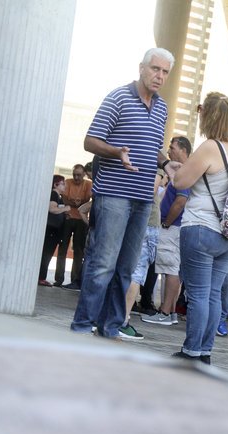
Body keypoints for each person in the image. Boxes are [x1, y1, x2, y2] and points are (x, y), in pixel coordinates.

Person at [70, 47, 173, 339]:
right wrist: (117, 152)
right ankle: (82, 325)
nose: (159, 76)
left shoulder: (162, 108)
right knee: (103, 263)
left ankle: (110, 326)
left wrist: (167, 163)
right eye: (155, 69)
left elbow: (153, 146)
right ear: (141, 68)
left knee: (126, 267)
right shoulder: (118, 98)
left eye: (165, 72)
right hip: (113, 195)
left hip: (143, 199)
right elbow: (90, 141)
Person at [168, 92, 228, 364]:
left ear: (209, 117)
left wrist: (173, 170)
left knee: (198, 294)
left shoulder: (210, 147)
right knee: (213, 294)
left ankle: (191, 351)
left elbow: (180, 182)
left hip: (201, 228)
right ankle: (204, 351)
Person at [141, 136, 192, 326]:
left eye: (172, 148)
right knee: (170, 268)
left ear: (183, 150)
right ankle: (170, 312)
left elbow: (180, 201)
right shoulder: (183, 171)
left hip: (173, 227)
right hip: (175, 226)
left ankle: (165, 312)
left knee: (170, 269)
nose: (169, 151)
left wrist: (167, 222)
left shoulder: (184, 172)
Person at [119, 171, 167, 341]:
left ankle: (111, 317)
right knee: (136, 273)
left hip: (127, 218)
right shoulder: (155, 163)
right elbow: (150, 191)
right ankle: (122, 321)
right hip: (146, 222)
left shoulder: (129, 159)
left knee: (123, 270)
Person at [55, 164, 92, 290]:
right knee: (62, 248)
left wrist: (76, 203)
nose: (76, 177)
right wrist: (78, 203)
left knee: (78, 250)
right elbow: (65, 199)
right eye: (74, 175)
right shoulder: (68, 182)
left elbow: (88, 199)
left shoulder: (88, 184)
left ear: (84, 175)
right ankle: (59, 278)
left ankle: (75, 279)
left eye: (79, 175)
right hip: (68, 218)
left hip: (81, 220)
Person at [38, 175, 69, 286]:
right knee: (47, 253)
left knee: (48, 253)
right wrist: (65, 208)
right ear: (56, 184)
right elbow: (52, 209)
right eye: (62, 184)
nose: (65, 186)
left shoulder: (58, 196)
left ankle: (41, 276)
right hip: (51, 229)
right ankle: (41, 277)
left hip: (55, 229)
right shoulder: (54, 194)